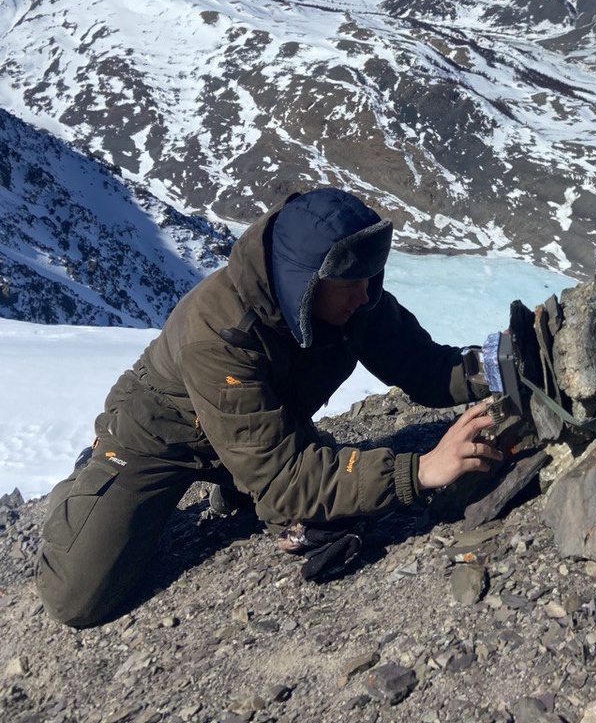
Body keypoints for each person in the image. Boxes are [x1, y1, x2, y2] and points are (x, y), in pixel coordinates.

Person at [36, 187, 502, 628]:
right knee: (75, 597)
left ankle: (236, 484)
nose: (365, 296)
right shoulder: (220, 332)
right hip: (160, 434)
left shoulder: (352, 294)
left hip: (259, 426)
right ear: (305, 281)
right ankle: (88, 480)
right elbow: (285, 479)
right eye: (350, 284)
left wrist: (495, 368)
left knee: (331, 513)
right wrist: (420, 470)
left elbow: (423, 365)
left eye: (368, 278)